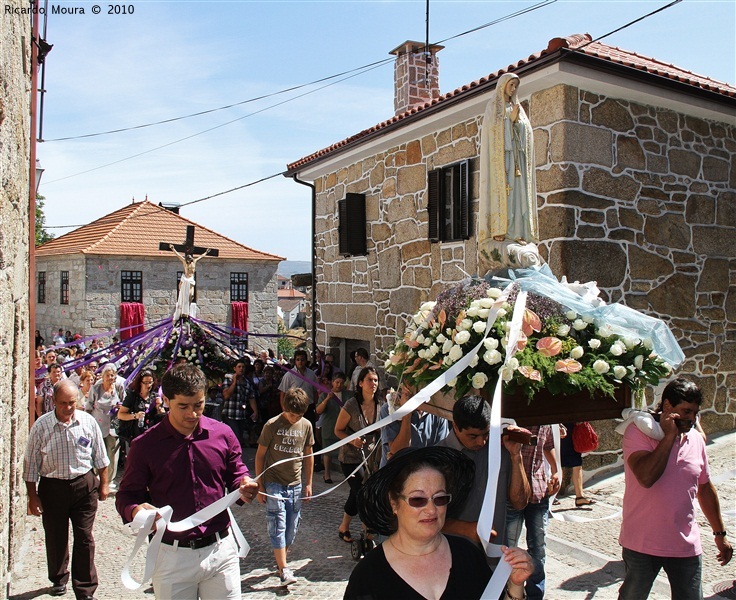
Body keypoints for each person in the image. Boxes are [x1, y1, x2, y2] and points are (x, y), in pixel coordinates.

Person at [115, 364, 259, 599]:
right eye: (183, 406)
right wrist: (136, 511)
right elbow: (127, 496)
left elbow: (236, 474)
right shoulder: (144, 446)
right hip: (172, 557)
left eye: (198, 405)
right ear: (167, 400)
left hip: (220, 551)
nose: (192, 414)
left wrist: (244, 486)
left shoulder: (223, 434)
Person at [345, 446, 533, 600]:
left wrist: (515, 585)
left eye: (440, 498)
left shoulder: (468, 554)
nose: (431, 509)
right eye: (418, 499)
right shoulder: (368, 576)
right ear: (394, 503)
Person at [618, 377, 732, 599]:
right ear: (667, 406)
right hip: (641, 544)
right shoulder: (638, 433)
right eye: (686, 411)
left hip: (685, 545)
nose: (691, 419)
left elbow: (705, 488)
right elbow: (646, 477)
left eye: (695, 413)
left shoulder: (696, 440)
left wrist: (720, 534)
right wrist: (669, 436)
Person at [24, 379, 110, 599]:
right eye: (63, 403)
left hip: (83, 486)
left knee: (84, 537)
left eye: (72, 403)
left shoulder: (87, 422)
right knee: (56, 536)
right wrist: (32, 496)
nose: (68, 408)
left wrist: (104, 483)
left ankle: (85, 589)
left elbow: (101, 456)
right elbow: (31, 463)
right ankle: (58, 578)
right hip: (53, 488)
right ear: (54, 401)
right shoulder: (41, 426)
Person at [439, 395, 531, 549]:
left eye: (485, 434)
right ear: (455, 426)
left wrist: (516, 457)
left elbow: (520, 502)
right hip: (449, 557)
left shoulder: (501, 452)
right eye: (473, 436)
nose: (481, 442)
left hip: (493, 559)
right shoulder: (435, 459)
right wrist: (467, 529)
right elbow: (423, 519)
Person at [255, 387, 314, 586]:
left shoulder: (306, 426)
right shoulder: (272, 425)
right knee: (278, 524)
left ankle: (283, 562)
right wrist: (260, 483)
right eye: (291, 414)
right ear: (284, 407)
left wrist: (309, 483)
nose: (294, 418)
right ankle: (283, 569)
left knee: (291, 527)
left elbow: (308, 455)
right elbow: (260, 455)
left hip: (295, 484)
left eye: (299, 415)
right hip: (274, 483)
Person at [479, 72, 538, 245]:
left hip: (516, 160)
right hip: (502, 161)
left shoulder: (517, 107)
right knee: (503, 194)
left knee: (518, 195)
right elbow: (493, 132)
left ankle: (518, 231)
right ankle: (500, 229)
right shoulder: (494, 108)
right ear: (503, 85)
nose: (513, 89)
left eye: (515, 86)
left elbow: (527, 132)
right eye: (511, 85)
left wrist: (517, 123)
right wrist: (508, 122)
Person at [505, 425, 559, 599]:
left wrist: (557, 470)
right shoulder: (512, 416)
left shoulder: (546, 420)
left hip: (538, 490)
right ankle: (507, 591)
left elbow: (548, 445)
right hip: (511, 491)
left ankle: (536, 594)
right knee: (508, 548)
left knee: (538, 549)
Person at [334, 367, 382, 543]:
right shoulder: (351, 405)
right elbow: (338, 430)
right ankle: (367, 530)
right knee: (363, 492)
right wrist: (351, 440)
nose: (373, 384)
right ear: (360, 383)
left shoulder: (381, 403)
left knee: (355, 494)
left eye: (376, 380)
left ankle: (344, 527)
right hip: (351, 458)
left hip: (371, 458)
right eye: (369, 380)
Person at [379, 384, 449, 467]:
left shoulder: (437, 411)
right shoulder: (389, 409)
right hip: (396, 474)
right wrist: (406, 414)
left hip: (424, 473)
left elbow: (440, 453)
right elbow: (398, 451)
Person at [86, 363, 125, 486]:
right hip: (98, 424)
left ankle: (110, 480)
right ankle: (97, 477)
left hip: (113, 425)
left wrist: (120, 406)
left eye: (112, 375)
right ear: (102, 376)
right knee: (97, 451)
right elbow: (88, 406)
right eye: (107, 375)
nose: (110, 378)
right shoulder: (96, 388)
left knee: (112, 452)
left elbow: (125, 403)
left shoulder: (119, 387)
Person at [315, 371, 347, 483]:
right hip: (329, 426)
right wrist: (327, 399)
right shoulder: (324, 395)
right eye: (337, 382)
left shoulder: (348, 395)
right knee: (327, 452)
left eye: (341, 383)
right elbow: (318, 410)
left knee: (344, 451)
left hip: (343, 427)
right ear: (332, 382)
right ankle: (327, 474)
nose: (339, 385)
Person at [117, 370, 155, 456]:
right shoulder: (132, 396)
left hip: (151, 437)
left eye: (150, 382)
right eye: (145, 382)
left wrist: (160, 408)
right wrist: (135, 416)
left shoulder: (155, 397)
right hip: (135, 436)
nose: (148, 385)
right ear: (140, 383)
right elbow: (120, 414)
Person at [221, 358, 258, 445]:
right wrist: (234, 383)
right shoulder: (228, 379)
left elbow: (251, 397)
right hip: (230, 414)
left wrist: (255, 411)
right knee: (235, 437)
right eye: (239, 367)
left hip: (241, 415)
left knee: (239, 438)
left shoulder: (247, 383)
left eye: (243, 367)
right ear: (235, 368)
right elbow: (226, 395)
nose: (241, 369)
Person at [169, 244, 211, 320]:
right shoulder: (184, 262)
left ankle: (187, 309)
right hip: (185, 279)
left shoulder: (194, 262)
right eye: (187, 260)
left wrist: (206, 252)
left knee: (191, 295)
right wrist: (173, 249)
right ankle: (183, 311)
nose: (188, 261)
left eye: (189, 260)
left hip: (191, 279)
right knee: (183, 295)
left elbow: (200, 257)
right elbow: (178, 256)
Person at [560, 422, 595, 507]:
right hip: (559, 427)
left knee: (576, 462)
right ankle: (551, 495)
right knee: (557, 462)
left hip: (571, 428)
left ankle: (580, 496)